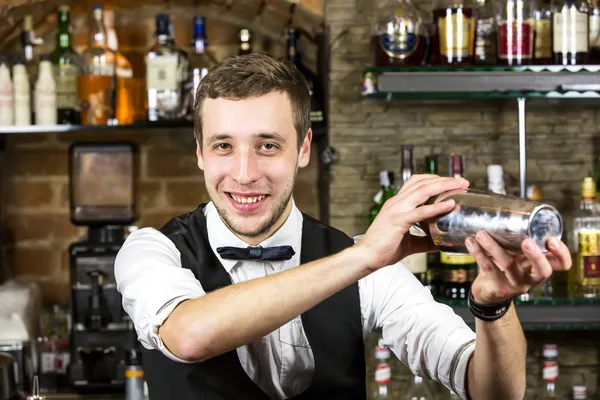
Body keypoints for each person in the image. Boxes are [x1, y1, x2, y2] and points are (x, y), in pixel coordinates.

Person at [114, 53, 572, 400]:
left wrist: (492, 307)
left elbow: (492, 390)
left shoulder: (367, 267)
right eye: (223, 147)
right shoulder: (152, 251)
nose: (245, 172)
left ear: (304, 148)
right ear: (199, 152)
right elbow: (188, 336)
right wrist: (363, 257)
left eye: (268, 145)